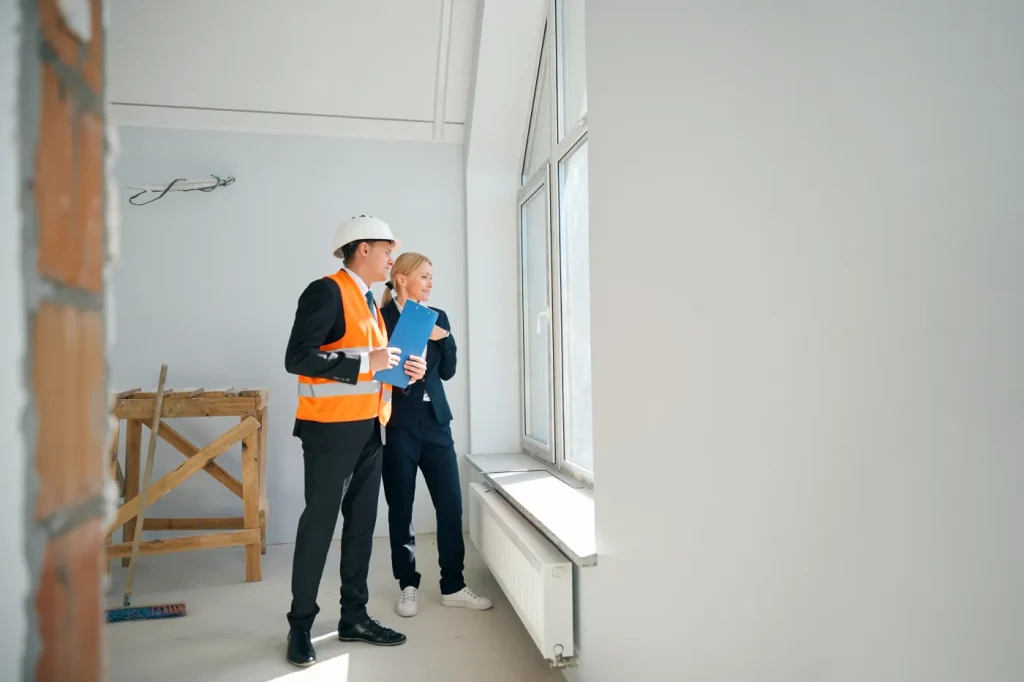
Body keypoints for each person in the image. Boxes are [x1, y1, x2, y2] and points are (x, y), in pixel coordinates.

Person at [283, 215, 427, 667]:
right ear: (361, 248)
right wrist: (370, 360)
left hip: (368, 429)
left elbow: (374, 365)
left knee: (362, 529)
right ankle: (301, 627)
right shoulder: (325, 291)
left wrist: (403, 372)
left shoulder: (367, 301)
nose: (391, 258)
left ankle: (354, 618)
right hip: (329, 433)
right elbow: (299, 357)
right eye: (386, 250)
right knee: (318, 530)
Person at [379, 252, 493, 617]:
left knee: (450, 503)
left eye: (431, 277)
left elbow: (449, 372)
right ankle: (408, 585)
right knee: (401, 507)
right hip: (397, 425)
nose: (430, 283)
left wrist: (443, 337)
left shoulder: (436, 317)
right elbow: (375, 371)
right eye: (424, 276)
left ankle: (453, 586)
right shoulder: (380, 318)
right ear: (401, 279)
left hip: (436, 422)